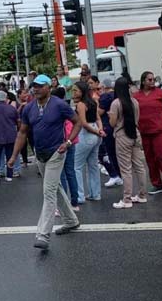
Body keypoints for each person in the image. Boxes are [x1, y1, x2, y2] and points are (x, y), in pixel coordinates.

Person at [9, 74, 81, 250]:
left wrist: (69, 142)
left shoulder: (59, 104)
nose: (36, 89)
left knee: (48, 192)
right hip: (39, 154)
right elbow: (22, 133)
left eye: (40, 86)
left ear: (48, 87)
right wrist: (13, 156)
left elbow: (78, 122)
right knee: (55, 188)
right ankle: (71, 220)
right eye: (34, 86)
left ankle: (43, 234)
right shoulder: (29, 108)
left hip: (57, 151)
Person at [133, 71, 162, 195]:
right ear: (143, 81)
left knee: (161, 156)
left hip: (159, 130)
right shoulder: (136, 96)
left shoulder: (161, 93)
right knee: (150, 158)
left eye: (153, 79)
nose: (152, 82)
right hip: (144, 131)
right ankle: (156, 184)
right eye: (149, 80)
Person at [109, 77, 148, 209]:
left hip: (122, 136)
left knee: (126, 169)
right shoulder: (135, 102)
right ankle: (142, 195)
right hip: (136, 135)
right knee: (140, 166)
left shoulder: (116, 103)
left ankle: (127, 199)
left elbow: (113, 123)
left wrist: (111, 117)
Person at [73, 81, 105, 202]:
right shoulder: (93, 102)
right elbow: (98, 118)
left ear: (82, 91)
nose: (74, 93)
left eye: (76, 90)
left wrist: (97, 131)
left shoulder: (81, 104)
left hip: (86, 134)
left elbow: (83, 123)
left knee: (77, 166)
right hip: (96, 133)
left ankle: (79, 196)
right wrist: (100, 130)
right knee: (93, 165)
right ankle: (95, 193)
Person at [52, 87, 79, 211]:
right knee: (71, 172)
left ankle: (64, 204)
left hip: (61, 143)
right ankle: (74, 202)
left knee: (61, 174)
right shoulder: (68, 107)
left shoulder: (55, 108)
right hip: (71, 141)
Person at [98, 79, 123, 187]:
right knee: (117, 153)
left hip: (107, 127)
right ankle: (119, 175)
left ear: (104, 87)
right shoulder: (118, 96)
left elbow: (99, 112)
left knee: (107, 153)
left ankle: (115, 174)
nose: (98, 91)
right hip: (118, 127)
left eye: (99, 88)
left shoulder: (105, 97)